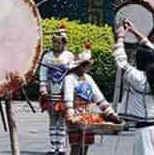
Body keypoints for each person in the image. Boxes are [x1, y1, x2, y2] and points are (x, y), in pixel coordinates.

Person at [114, 19, 154, 155]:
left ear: (139, 61)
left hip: (145, 131)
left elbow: (121, 61)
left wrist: (121, 37)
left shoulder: (138, 78)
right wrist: (135, 31)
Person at [64, 43, 120, 155]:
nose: (90, 67)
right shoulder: (69, 78)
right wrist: (70, 112)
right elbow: (68, 97)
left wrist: (110, 112)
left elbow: (98, 97)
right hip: (74, 115)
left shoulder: (88, 78)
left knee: (85, 146)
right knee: (75, 146)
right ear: (81, 65)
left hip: (87, 116)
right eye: (88, 65)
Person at [39, 24, 75, 155]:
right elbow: (43, 72)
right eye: (54, 42)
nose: (56, 44)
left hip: (64, 92)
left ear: (64, 43)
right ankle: (53, 146)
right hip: (50, 91)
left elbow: (72, 73)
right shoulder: (47, 56)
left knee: (62, 120)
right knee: (53, 119)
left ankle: (61, 147)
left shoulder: (69, 56)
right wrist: (43, 87)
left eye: (59, 42)